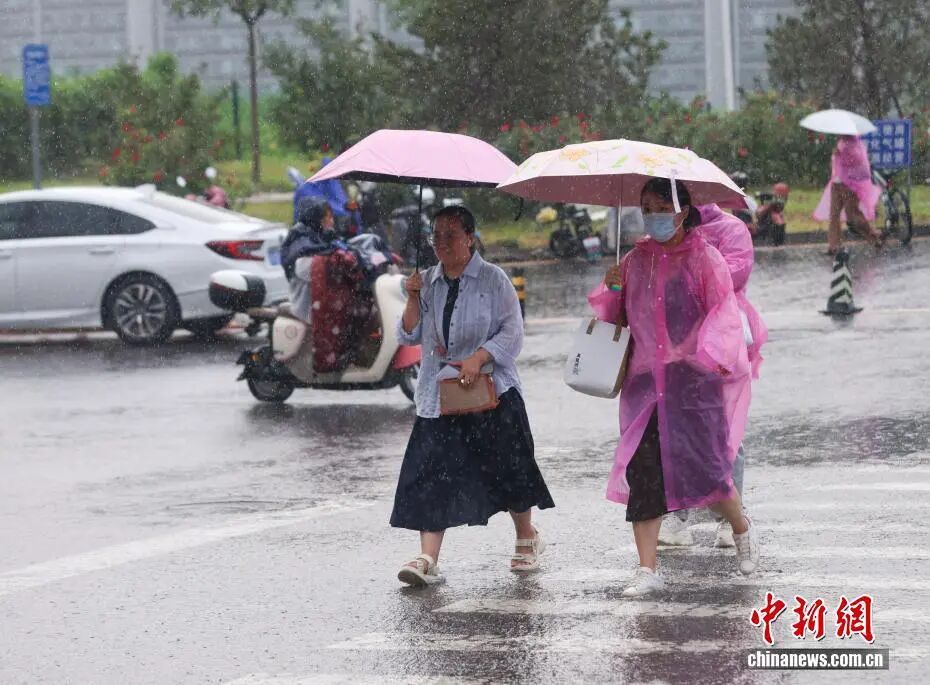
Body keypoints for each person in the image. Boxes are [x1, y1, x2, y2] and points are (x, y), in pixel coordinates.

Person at [589, 178, 759, 598]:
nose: (653, 215)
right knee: (644, 474)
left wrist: (698, 354)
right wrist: (611, 287)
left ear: (683, 210)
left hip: (694, 387)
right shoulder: (633, 261)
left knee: (709, 478)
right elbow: (614, 319)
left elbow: (723, 313)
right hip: (645, 391)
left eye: (661, 205)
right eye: (646, 207)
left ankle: (740, 526)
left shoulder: (706, 259)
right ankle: (647, 569)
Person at [391, 205, 554, 586]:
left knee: (509, 470)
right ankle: (427, 558)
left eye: (450, 234)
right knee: (431, 474)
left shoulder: (494, 280)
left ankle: (526, 537)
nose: (441, 242)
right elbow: (408, 335)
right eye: (436, 235)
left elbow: (512, 333)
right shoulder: (427, 281)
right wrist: (413, 297)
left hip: (491, 393)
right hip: (439, 396)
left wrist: (479, 358)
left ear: (470, 237)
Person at [657, 202, 768, 549]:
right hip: (674, 340)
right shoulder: (670, 228)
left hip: (721, 339)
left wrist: (691, 266)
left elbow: (732, 276)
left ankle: (730, 513)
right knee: (674, 427)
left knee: (723, 426)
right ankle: (677, 512)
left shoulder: (731, 229)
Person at [813, 135, 882, 254]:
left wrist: (841, 154)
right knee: (834, 215)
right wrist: (837, 155)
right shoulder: (841, 142)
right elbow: (837, 165)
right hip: (836, 183)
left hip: (848, 185)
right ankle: (834, 246)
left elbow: (857, 161)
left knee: (853, 216)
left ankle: (873, 236)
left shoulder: (854, 144)